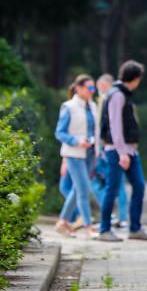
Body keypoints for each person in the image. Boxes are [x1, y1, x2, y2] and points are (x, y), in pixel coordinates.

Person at [97, 60, 147, 242]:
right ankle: (104, 230)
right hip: (117, 150)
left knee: (139, 185)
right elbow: (115, 126)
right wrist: (122, 152)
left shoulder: (123, 94)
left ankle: (135, 228)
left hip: (129, 150)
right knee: (112, 188)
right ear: (135, 78)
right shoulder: (117, 95)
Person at [54, 75, 100, 239]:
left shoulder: (93, 106)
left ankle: (62, 221)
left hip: (90, 153)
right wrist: (76, 141)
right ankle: (89, 226)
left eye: (93, 88)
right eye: (89, 88)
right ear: (78, 88)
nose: (92, 91)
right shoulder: (69, 106)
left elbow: (96, 130)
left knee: (77, 189)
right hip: (73, 153)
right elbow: (59, 132)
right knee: (83, 189)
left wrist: (97, 148)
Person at [94, 72, 128, 229]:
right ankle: (118, 217)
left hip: (109, 146)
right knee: (109, 183)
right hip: (107, 145)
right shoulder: (113, 97)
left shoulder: (110, 98)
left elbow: (106, 125)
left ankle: (117, 218)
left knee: (115, 183)